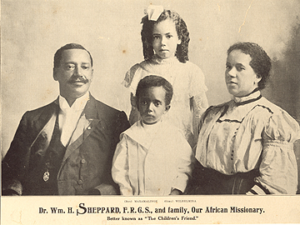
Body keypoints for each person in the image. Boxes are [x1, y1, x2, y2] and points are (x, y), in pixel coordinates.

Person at [2, 43, 130, 195]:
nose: (78, 74)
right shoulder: (32, 119)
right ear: (55, 73)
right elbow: (9, 173)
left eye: (85, 67)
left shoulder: (114, 118)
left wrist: (98, 195)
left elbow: (126, 175)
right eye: (70, 67)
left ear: (92, 73)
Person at [187, 42, 299, 195]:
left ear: (258, 76)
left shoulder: (271, 119)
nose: (230, 73)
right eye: (228, 66)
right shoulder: (211, 115)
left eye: (240, 68)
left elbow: (276, 183)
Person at [123, 6, 208, 148]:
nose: (163, 43)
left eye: (169, 36)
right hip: (145, 143)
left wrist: (198, 147)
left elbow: (200, 113)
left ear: (179, 38)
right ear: (149, 40)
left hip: (179, 144)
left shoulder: (191, 71)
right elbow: (135, 114)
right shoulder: (139, 71)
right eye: (157, 37)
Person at [112, 75, 193, 196]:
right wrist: (127, 195)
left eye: (157, 103)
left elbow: (185, 167)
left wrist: (176, 191)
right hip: (136, 200)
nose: (150, 108)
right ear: (137, 104)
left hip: (167, 199)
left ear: (166, 108)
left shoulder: (174, 135)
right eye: (144, 102)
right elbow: (120, 171)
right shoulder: (128, 137)